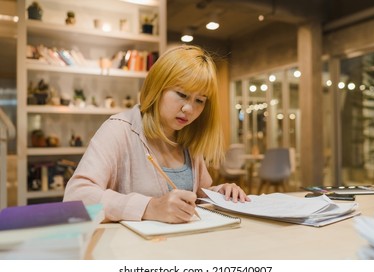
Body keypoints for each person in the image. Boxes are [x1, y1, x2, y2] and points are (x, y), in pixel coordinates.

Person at [63, 45, 250, 224]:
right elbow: (76, 198)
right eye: (182, 94)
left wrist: (221, 193)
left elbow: (198, 195)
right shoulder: (118, 130)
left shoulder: (187, 137)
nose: (189, 109)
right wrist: (150, 207)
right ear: (157, 87)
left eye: (199, 100)